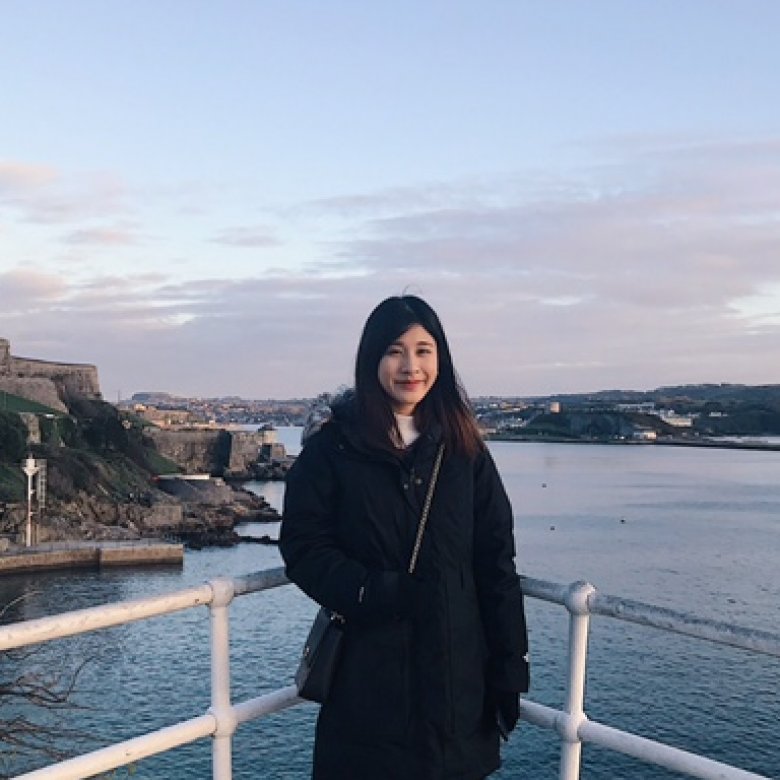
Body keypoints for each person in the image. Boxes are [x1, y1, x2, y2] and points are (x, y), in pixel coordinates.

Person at [280, 295, 529, 780]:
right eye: (395, 351)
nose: (410, 366)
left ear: (441, 358)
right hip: (366, 689)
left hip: (457, 691)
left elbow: (496, 562)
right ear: (372, 357)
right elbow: (305, 549)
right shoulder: (334, 448)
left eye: (423, 350)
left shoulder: (465, 451)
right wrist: (374, 591)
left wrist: (509, 670)